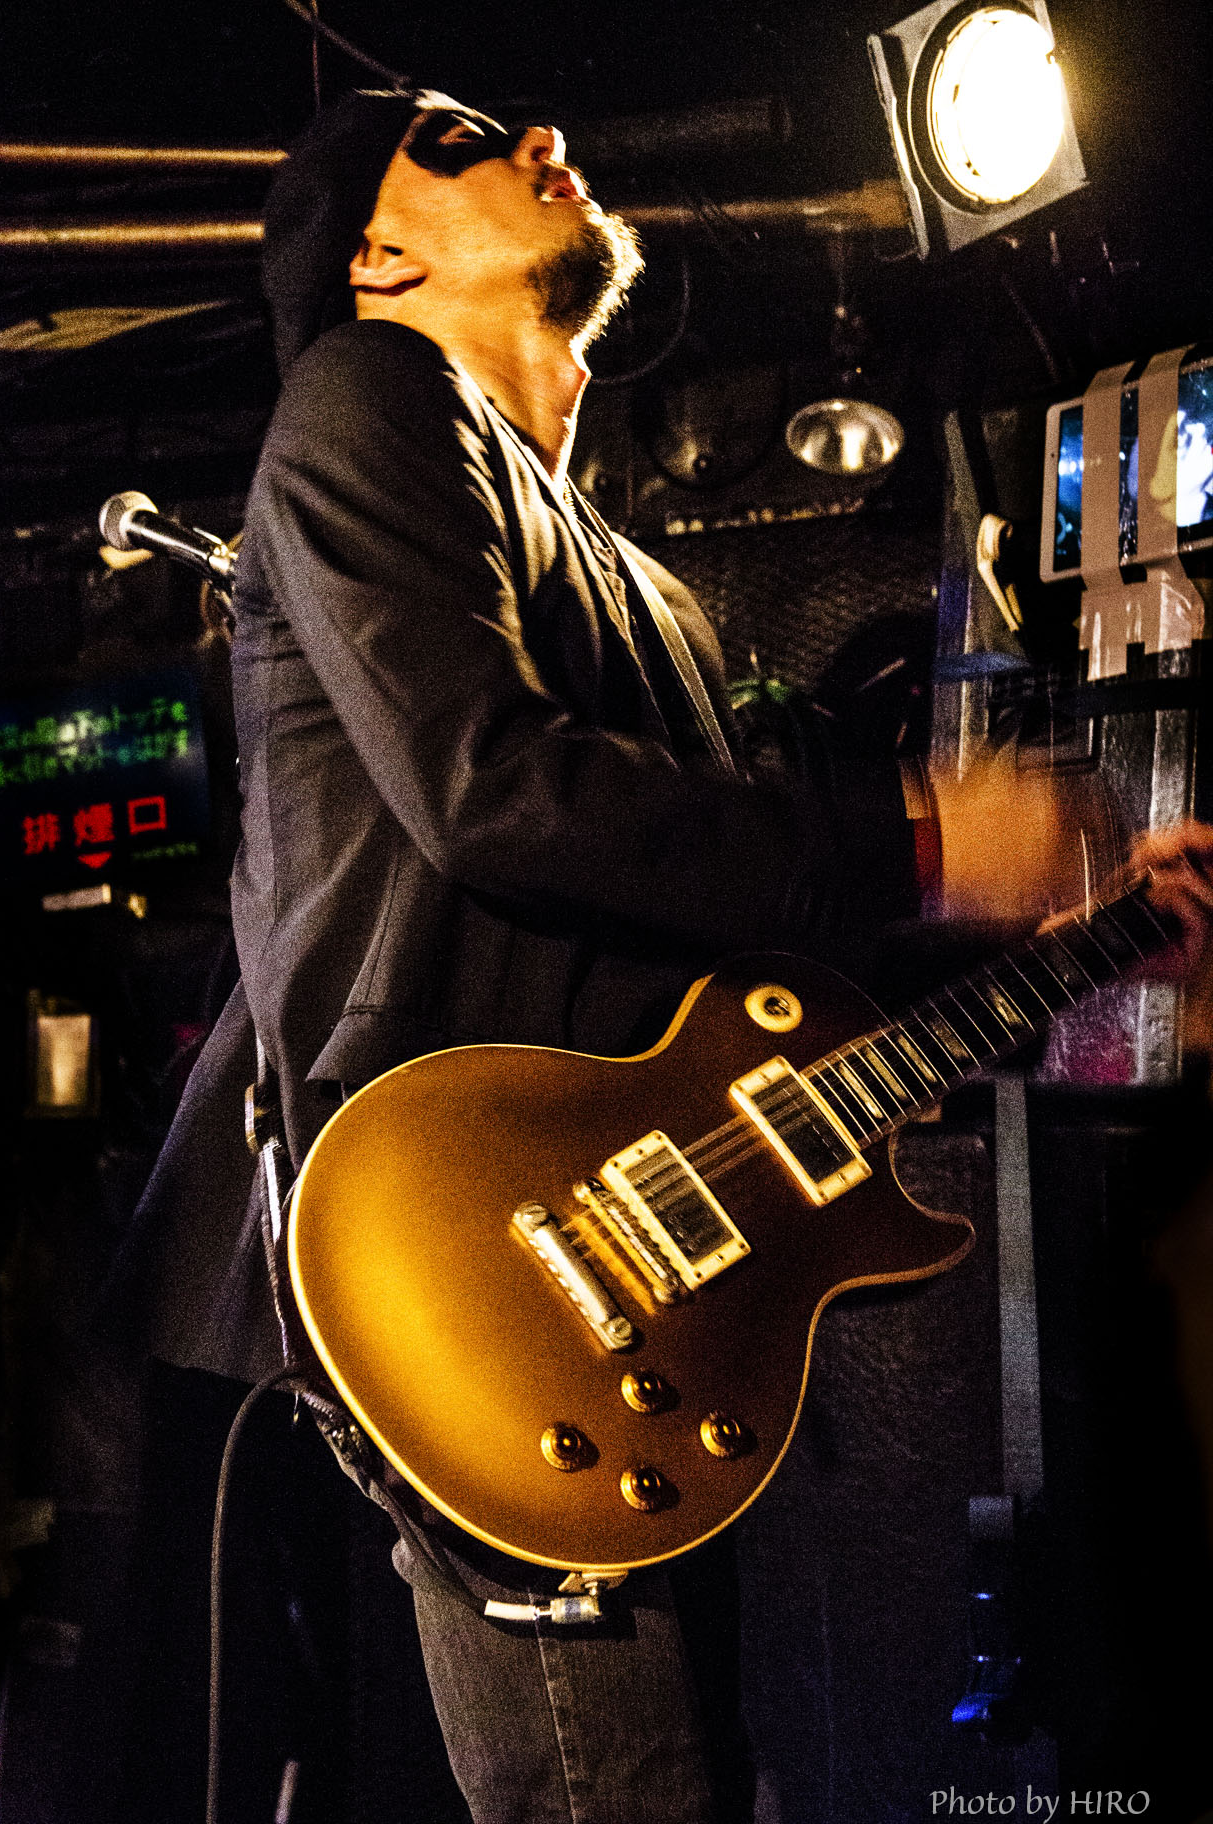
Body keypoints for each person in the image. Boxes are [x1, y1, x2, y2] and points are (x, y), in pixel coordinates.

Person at [130, 86, 1213, 1824]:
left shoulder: (652, 588)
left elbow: (751, 971)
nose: (534, 135)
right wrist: (930, 838)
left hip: (648, 1260)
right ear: (379, 257)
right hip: (477, 1248)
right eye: (457, 139)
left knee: (698, 1775)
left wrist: (1080, 938)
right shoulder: (368, 392)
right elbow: (492, 791)